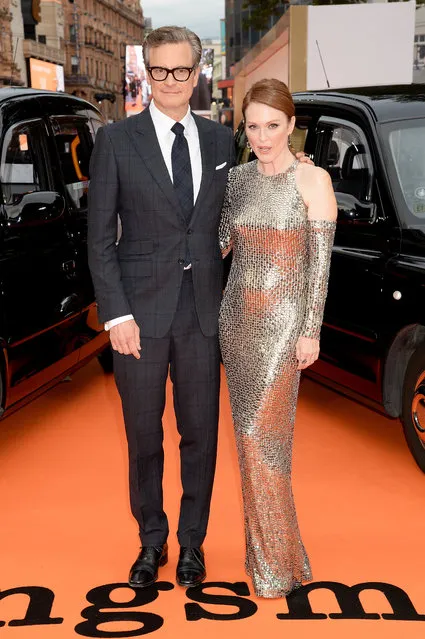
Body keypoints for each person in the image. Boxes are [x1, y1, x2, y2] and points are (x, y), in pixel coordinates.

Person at [88, 25, 312, 590]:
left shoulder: (219, 142)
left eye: (181, 70)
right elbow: (98, 239)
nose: (170, 81)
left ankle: (192, 544)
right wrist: (116, 316)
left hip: (202, 317)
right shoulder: (116, 140)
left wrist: (303, 172)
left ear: (197, 73)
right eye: (158, 71)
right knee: (143, 435)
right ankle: (151, 541)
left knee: (200, 436)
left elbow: (254, 193)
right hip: (137, 318)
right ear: (145, 73)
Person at [219, 78, 337, 598]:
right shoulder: (238, 181)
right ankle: (278, 557)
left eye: (273, 126)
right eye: (254, 126)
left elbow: (319, 270)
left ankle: (275, 565)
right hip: (236, 322)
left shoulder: (312, 182)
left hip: (284, 328)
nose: (263, 137)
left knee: (261, 443)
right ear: (243, 128)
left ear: (292, 126)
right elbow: (218, 242)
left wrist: (310, 330)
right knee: (250, 446)